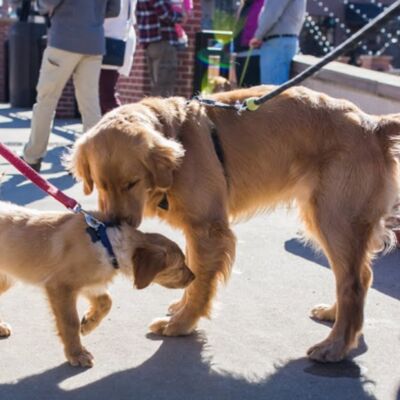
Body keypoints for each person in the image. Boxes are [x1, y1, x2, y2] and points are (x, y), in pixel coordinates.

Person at [22, 0, 121, 172]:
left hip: (63, 39)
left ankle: (33, 157)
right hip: (94, 43)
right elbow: (114, 10)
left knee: (46, 100)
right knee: (90, 105)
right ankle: (92, 161)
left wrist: (39, 6)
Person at [249, 0, 306, 85]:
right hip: (289, 39)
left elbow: (271, 14)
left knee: (271, 91)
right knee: (279, 89)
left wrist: (258, 36)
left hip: (276, 42)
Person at [136, 0, 186, 97]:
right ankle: (162, 111)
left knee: (157, 85)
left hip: (151, 43)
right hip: (162, 41)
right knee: (164, 87)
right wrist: (181, 16)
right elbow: (165, 14)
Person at [100, 0, 138, 115]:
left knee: (106, 94)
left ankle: (123, 125)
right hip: (117, 40)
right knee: (103, 94)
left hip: (110, 41)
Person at [233, 0, 264, 87]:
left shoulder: (261, 3)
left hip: (253, 53)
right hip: (241, 53)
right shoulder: (245, 5)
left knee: (250, 89)